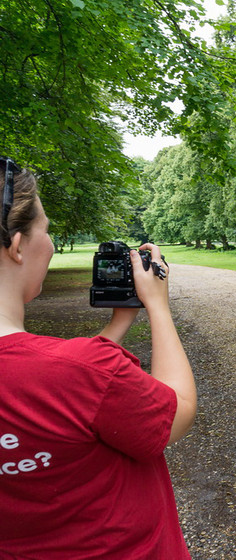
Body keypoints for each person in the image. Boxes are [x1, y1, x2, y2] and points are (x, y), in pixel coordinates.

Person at [0, 158, 196, 558]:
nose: (50, 243)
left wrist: (117, 325)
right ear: (18, 247)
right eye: (47, 230)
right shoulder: (83, 369)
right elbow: (178, 412)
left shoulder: (77, 368)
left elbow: (45, 384)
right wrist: (158, 306)